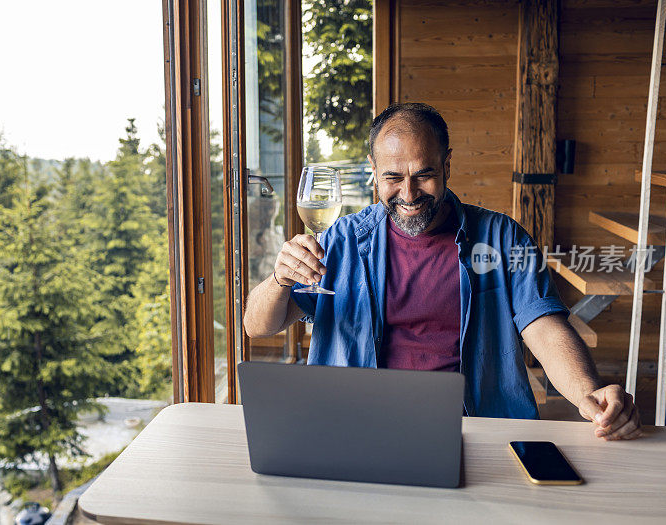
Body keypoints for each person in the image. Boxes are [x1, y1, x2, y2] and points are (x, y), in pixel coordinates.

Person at [243, 102, 642, 441]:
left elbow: (544, 328)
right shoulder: (341, 241)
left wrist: (589, 393)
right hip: (355, 427)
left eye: (425, 174)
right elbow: (257, 326)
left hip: (473, 429)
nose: (409, 193)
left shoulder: (503, 238)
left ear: (447, 164)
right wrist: (279, 280)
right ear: (373, 170)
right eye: (393, 177)